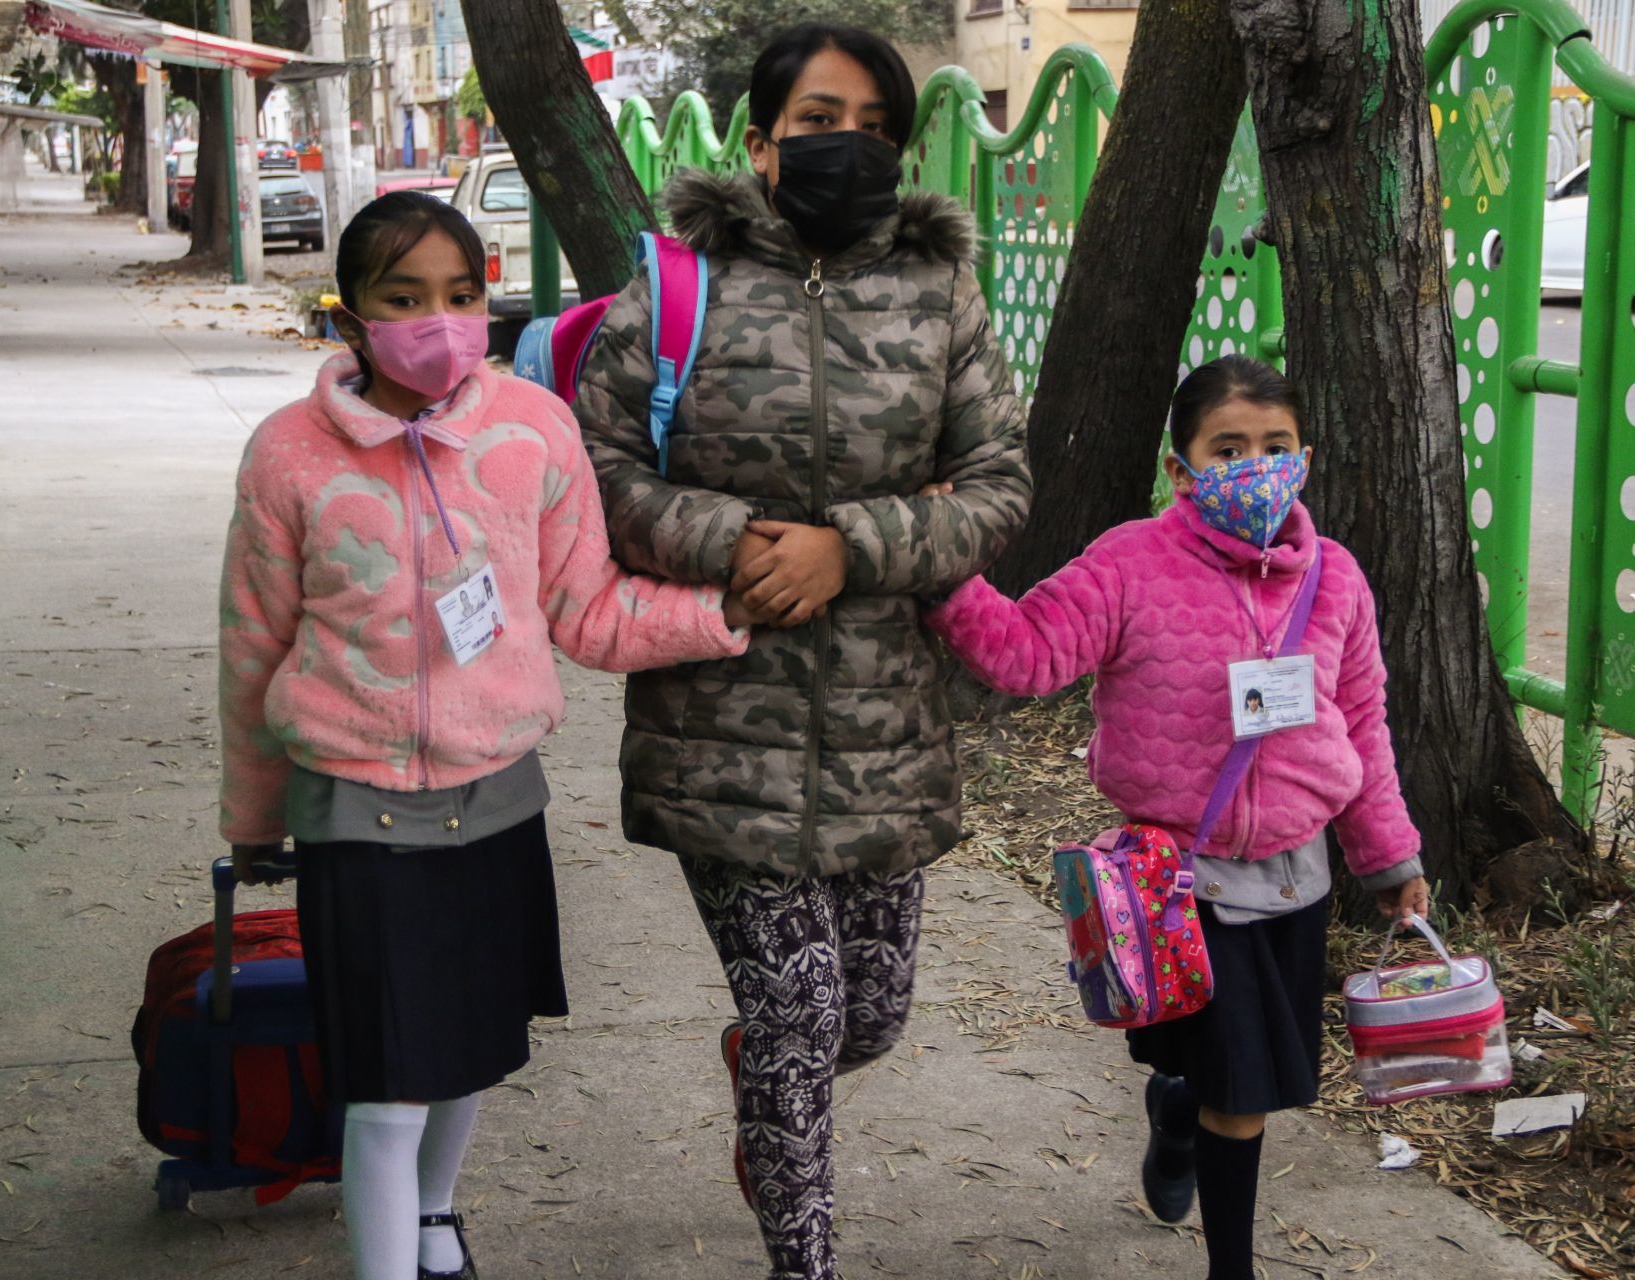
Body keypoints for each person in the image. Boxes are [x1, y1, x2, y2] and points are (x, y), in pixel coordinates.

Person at [218, 191, 763, 1280]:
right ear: (351, 315)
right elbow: (249, 644)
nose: (439, 320)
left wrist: (720, 616)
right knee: (383, 1082)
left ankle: (431, 1215)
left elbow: (588, 609)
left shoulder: (531, 428)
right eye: (403, 296)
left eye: (460, 295)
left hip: (496, 798)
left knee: (465, 1044)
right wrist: (255, 817)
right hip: (352, 806)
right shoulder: (288, 454)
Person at [575, 23, 1031, 1280]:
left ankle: (766, 1074)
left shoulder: (941, 292)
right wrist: (727, 540)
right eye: (822, 118)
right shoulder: (678, 283)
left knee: (865, 1017)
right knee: (798, 1009)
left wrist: (854, 546)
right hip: (721, 721)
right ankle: (803, 1259)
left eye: (877, 124)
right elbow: (594, 467)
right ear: (762, 139)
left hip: (889, 725)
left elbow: (999, 482)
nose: (851, 144)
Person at [923, 354, 1428, 1280]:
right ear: (1181, 469)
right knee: (1243, 1092)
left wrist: (1387, 856)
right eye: (1227, 448)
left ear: (1304, 458)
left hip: (1299, 876)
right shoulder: (1129, 563)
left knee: (1233, 1077)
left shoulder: (1337, 579)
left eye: (1274, 446)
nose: (1255, 465)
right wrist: (940, 566)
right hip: (1180, 882)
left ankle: (1175, 1106)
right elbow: (1027, 656)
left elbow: (1361, 725)